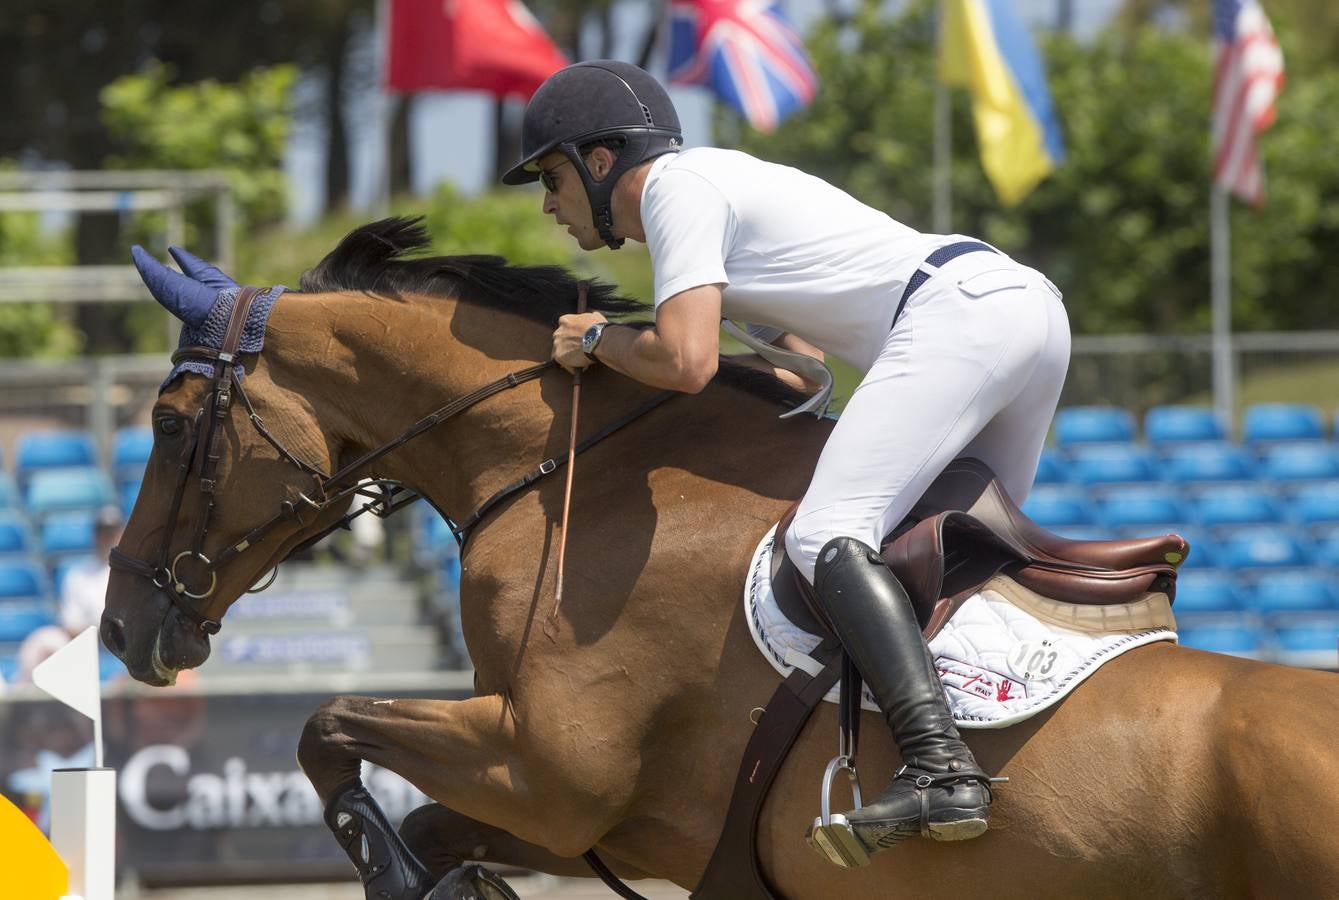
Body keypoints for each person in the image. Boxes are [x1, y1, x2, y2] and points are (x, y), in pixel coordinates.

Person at [501, 61, 1071, 855]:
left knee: (823, 534)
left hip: (960, 318)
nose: (548, 202)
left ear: (602, 161)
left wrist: (595, 337)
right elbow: (801, 363)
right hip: (1020, 309)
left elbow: (686, 360)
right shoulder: (713, 190)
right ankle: (1018, 731)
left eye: (552, 175)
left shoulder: (673, 190)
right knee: (949, 546)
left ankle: (940, 770)